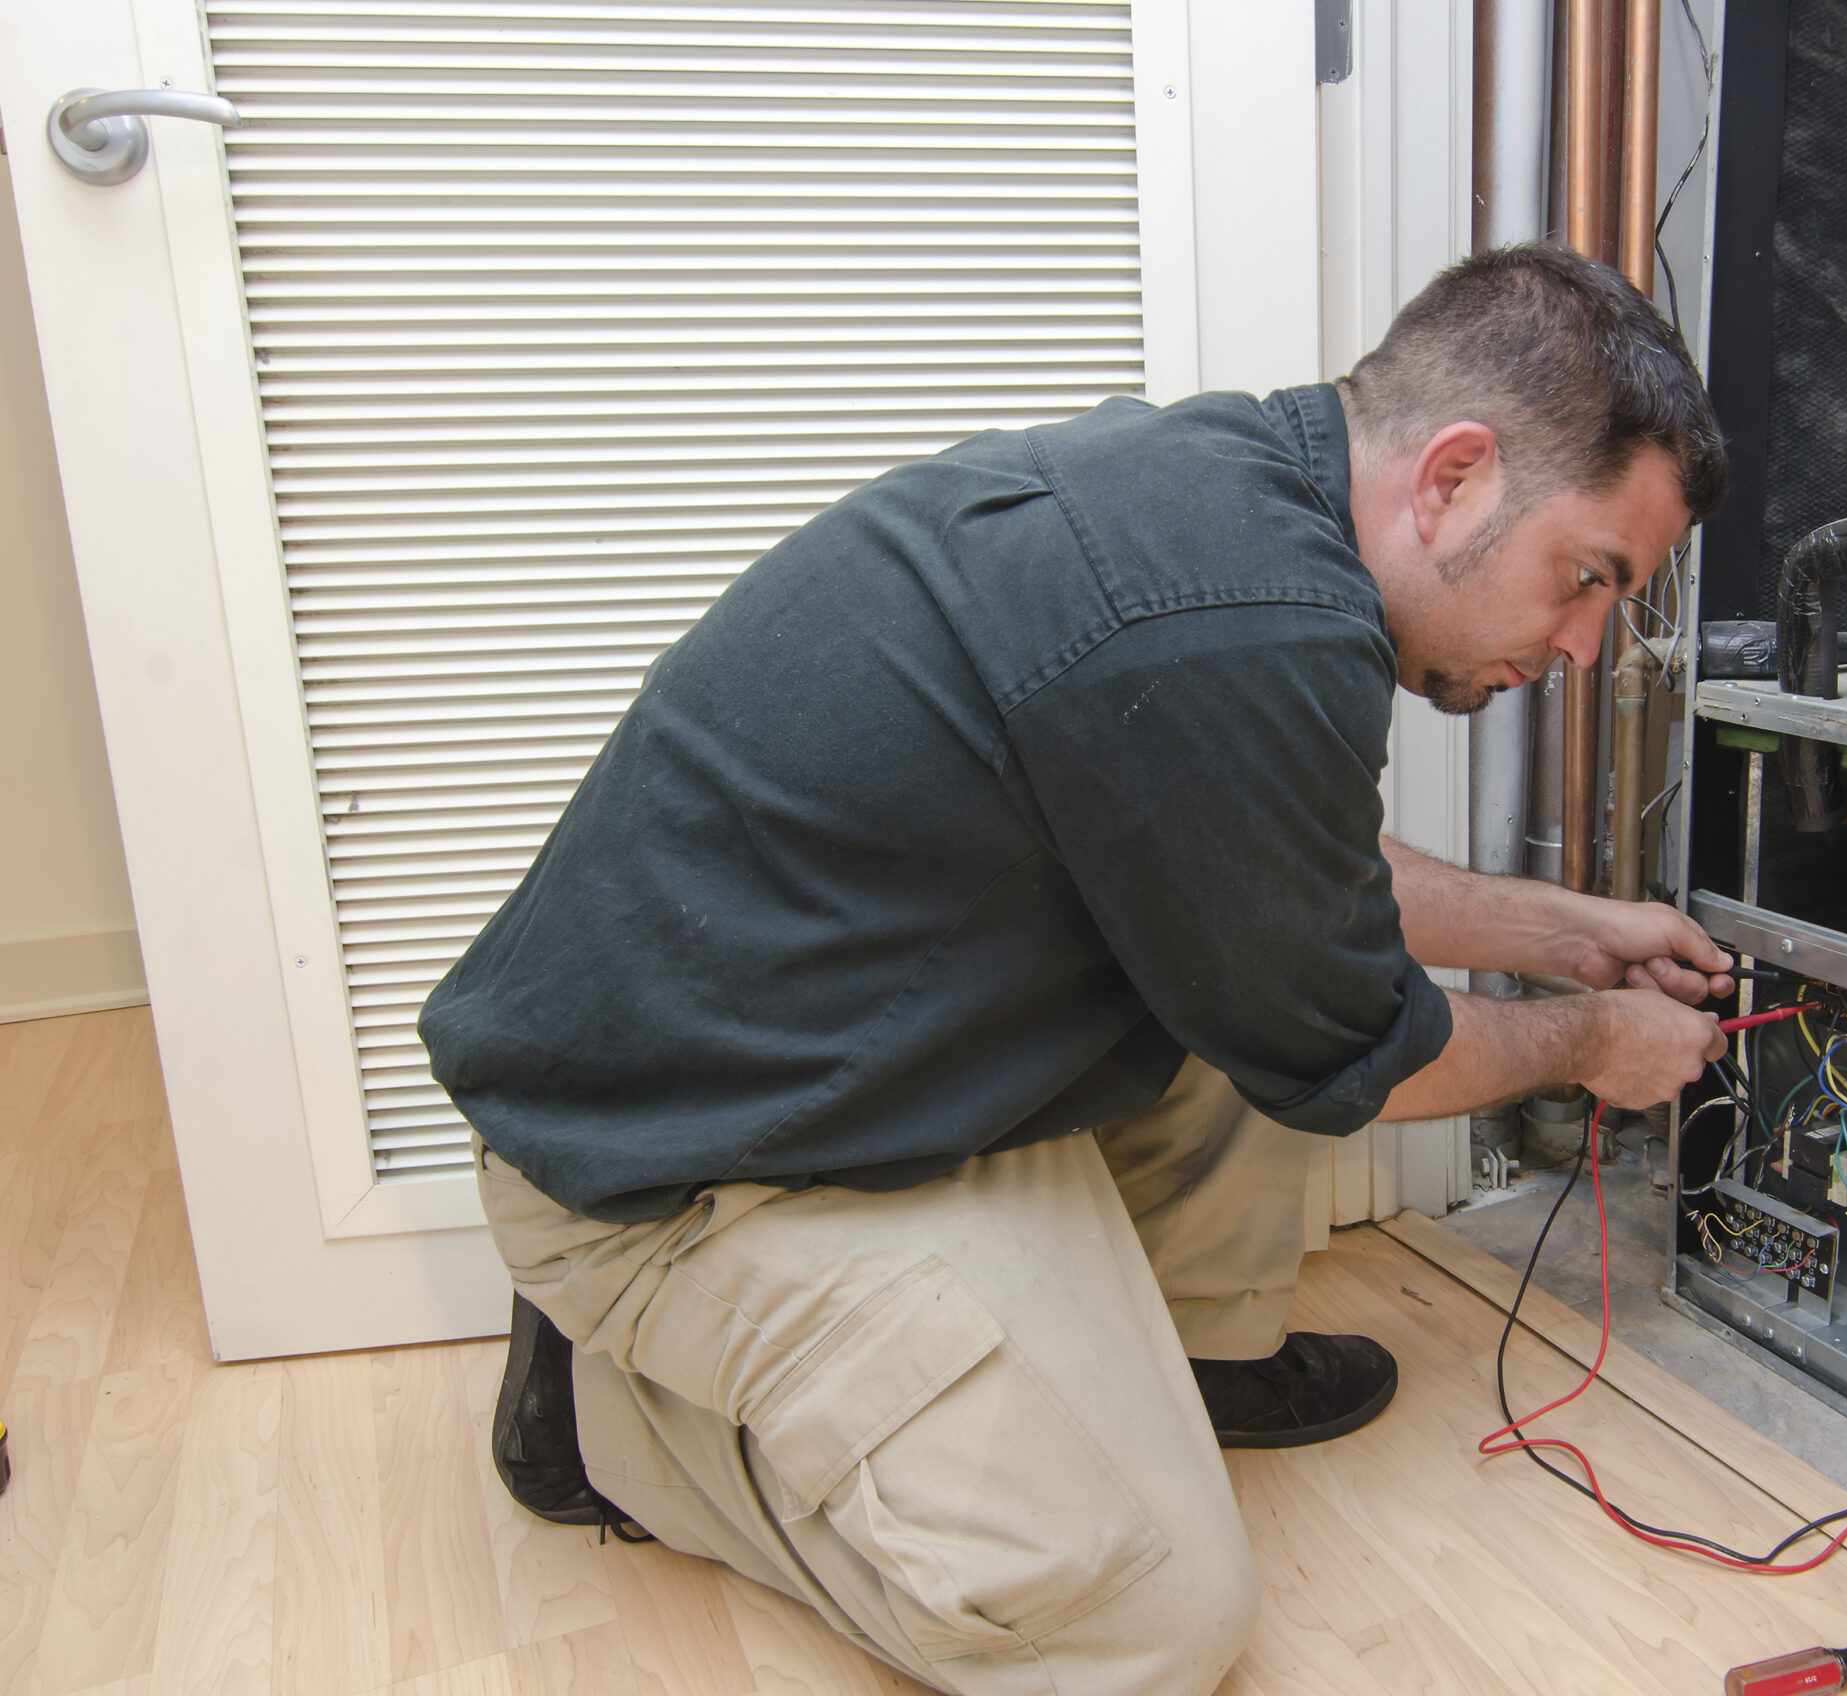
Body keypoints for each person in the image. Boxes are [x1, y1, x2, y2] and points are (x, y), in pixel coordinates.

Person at [421, 241, 1734, 1696]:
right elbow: (1377, 1049)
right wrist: (1590, 1041)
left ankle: (1184, 1359)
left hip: (793, 1052)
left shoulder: (1234, 494)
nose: (1583, 642)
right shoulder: (1252, 628)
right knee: (1143, 1623)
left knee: (1253, 969)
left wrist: (1563, 933)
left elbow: (1277, 865)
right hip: (672, 1169)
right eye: (1588, 578)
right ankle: (615, 1424)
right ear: (1455, 477)